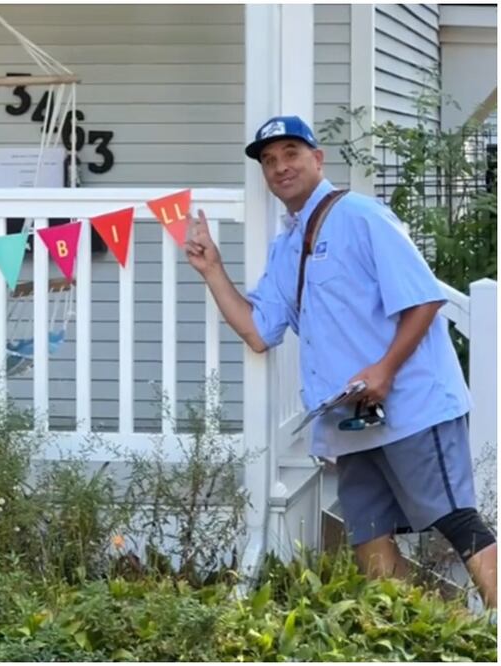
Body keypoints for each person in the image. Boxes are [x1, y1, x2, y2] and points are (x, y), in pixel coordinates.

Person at [183, 115, 496, 609]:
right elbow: (258, 331)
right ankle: (416, 634)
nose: (280, 167)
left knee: (457, 520)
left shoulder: (361, 216)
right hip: (350, 420)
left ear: (317, 158)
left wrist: (385, 370)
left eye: (291, 153)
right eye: (269, 160)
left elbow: (425, 299)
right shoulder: (287, 247)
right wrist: (213, 269)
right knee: (369, 537)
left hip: (412, 405)